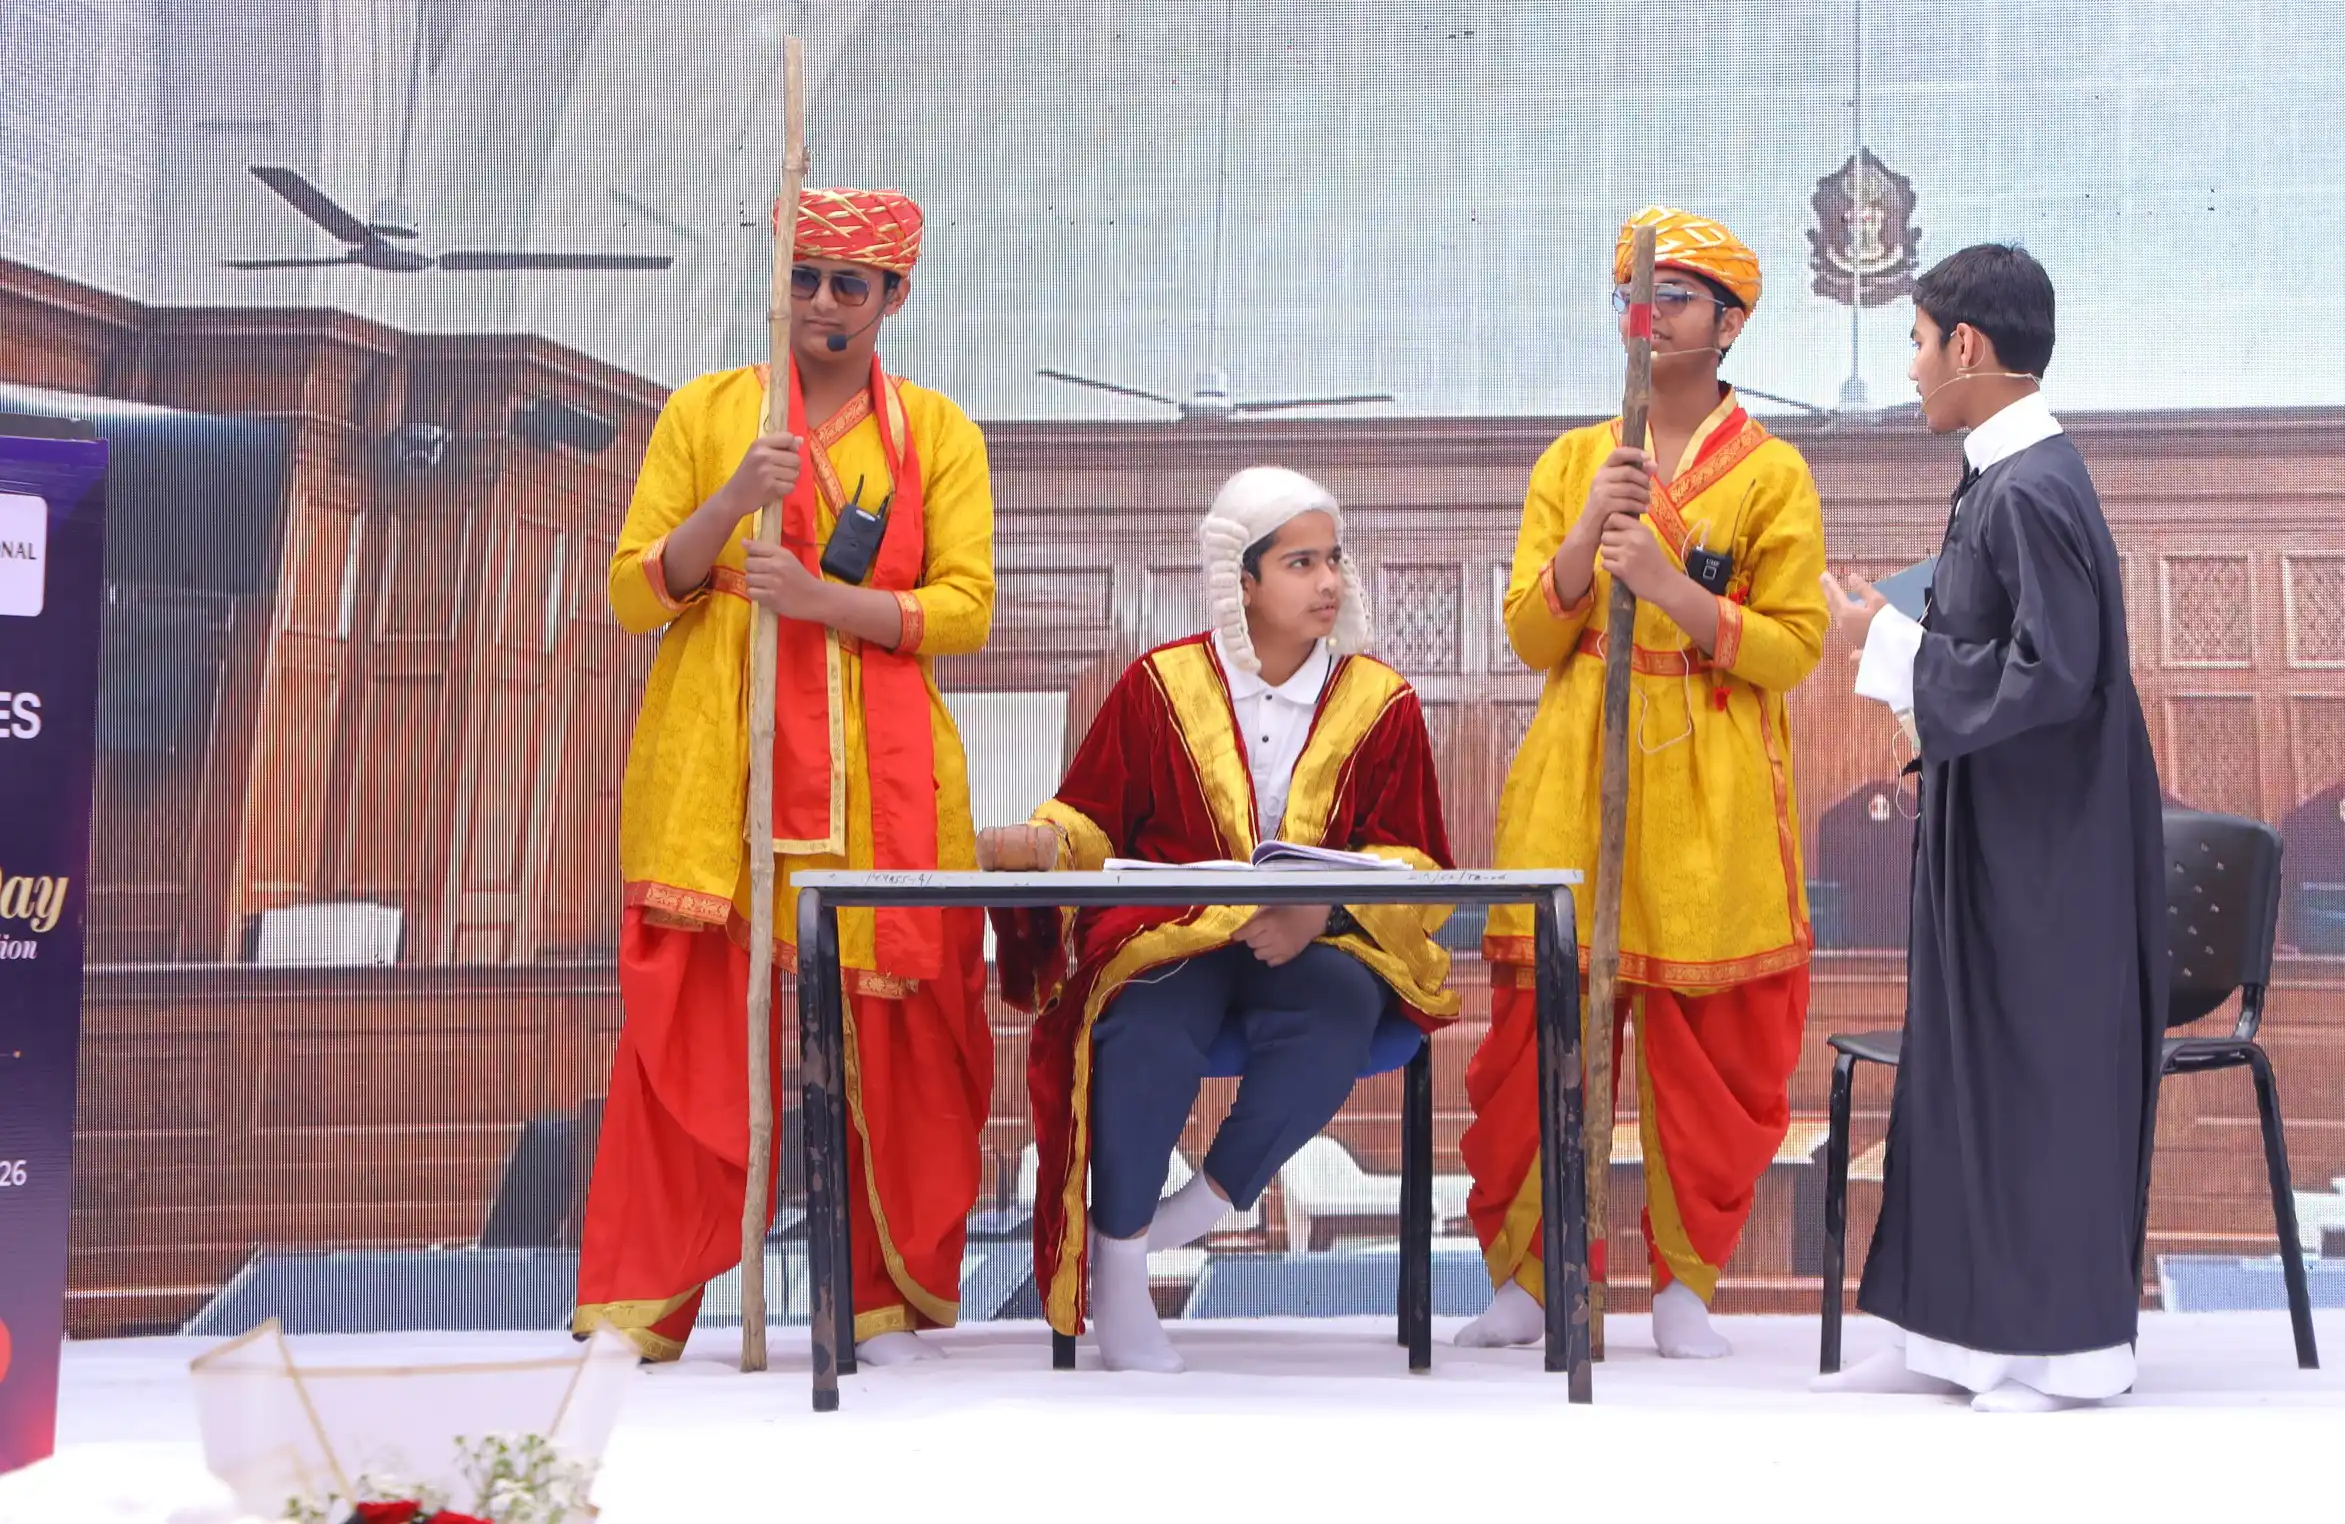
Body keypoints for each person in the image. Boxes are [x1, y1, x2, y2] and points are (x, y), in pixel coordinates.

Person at [573, 188, 996, 1366]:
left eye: (847, 284)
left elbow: (966, 609)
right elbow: (631, 594)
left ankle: (882, 1302)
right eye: (801, 278)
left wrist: (821, 601)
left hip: (881, 770)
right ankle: (637, 1306)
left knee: (896, 1037)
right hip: (726, 761)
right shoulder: (708, 412)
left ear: (892, 297)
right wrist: (732, 501)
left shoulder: (938, 433)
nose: (820, 303)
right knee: (687, 1030)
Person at [978, 467, 1461, 1373]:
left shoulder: (1381, 700)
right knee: (1147, 1022)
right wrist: (1047, 842)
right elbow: (1093, 816)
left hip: (1313, 937)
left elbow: (1416, 857)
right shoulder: (1159, 685)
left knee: (1338, 1012)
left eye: (1334, 559)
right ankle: (1120, 1262)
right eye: (1301, 563)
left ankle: (1201, 1204)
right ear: (1244, 581)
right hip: (1179, 927)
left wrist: (1320, 907)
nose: (1329, 581)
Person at [1457, 208, 1829, 1360]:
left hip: (1711, 779)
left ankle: (1686, 1288)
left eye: (1672, 296)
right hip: (1579, 765)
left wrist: (1670, 589)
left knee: (1707, 1045)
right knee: (1545, 1027)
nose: (1648, 315)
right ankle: (1531, 1279)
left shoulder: (1772, 473)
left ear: (1728, 323)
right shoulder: (1573, 460)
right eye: (1634, 295)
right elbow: (1530, 635)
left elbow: (1793, 648)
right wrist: (1585, 538)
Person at [1821, 242, 2168, 1412]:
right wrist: (1905, 636)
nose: (1911, 368)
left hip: (2048, 849)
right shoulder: (2001, 478)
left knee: (2039, 1078)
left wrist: (1883, 640)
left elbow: (2053, 675)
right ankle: (1949, 1338)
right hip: (2002, 830)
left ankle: (2061, 1355)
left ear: (1966, 345)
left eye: (1917, 343)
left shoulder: (2029, 487)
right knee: (1966, 1071)